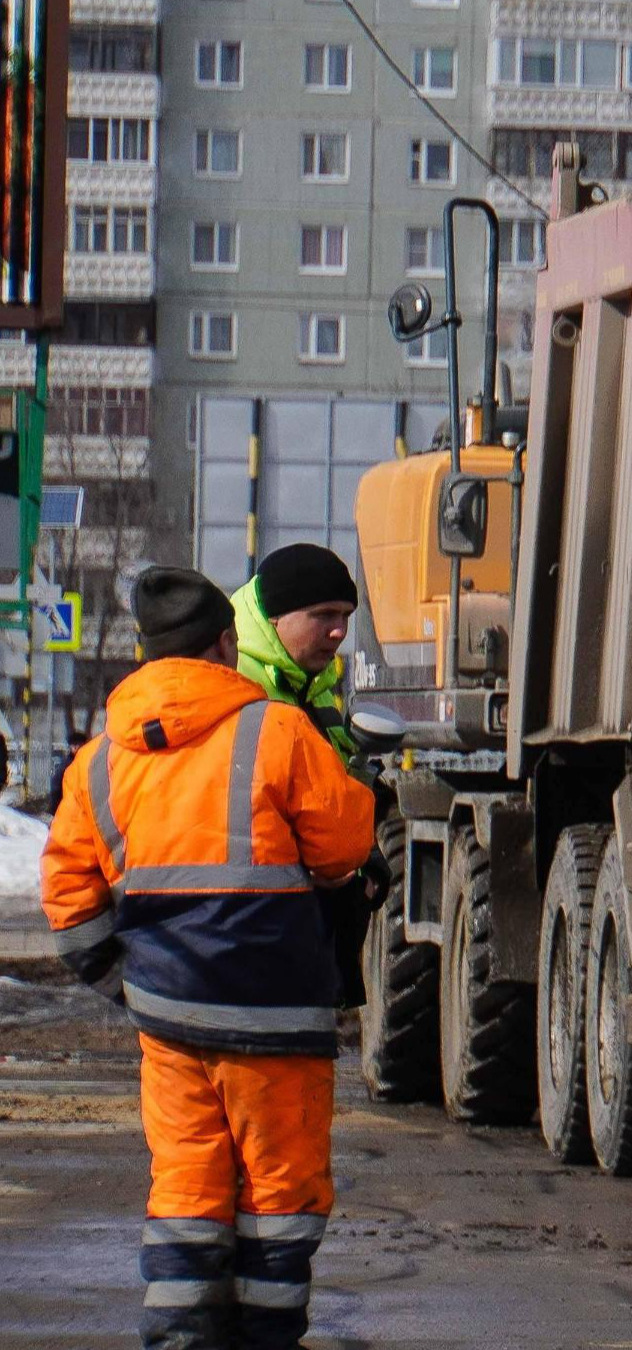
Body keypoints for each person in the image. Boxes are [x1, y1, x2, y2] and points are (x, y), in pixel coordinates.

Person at [40, 566, 380, 1350]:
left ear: (146, 653)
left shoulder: (98, 762)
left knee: (187, 1191)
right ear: (225, 644)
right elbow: (344, 848)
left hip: (172, 1025)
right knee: (279, 1198)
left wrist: (136, 991)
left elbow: (69, 902)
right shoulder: (277, 732)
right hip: (278, 1018)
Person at [231, 543, 361, 764]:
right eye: (324, 615)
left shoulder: (315, 687)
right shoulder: (231, 681)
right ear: (275, 615)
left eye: (345, 616)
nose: (339, 631)